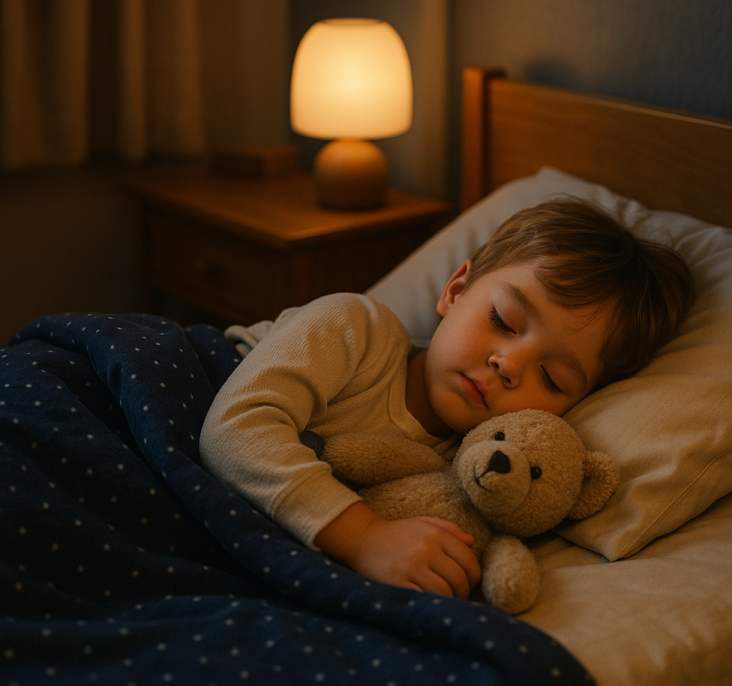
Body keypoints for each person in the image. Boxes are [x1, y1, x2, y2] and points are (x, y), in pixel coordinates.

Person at [199, 199, 692, 600]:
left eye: (554, 378)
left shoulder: (472, 476)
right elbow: (234, 427)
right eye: (502, 320)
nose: (509, 364)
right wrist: (365, 537)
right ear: (456, 291)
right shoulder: (354, 328)